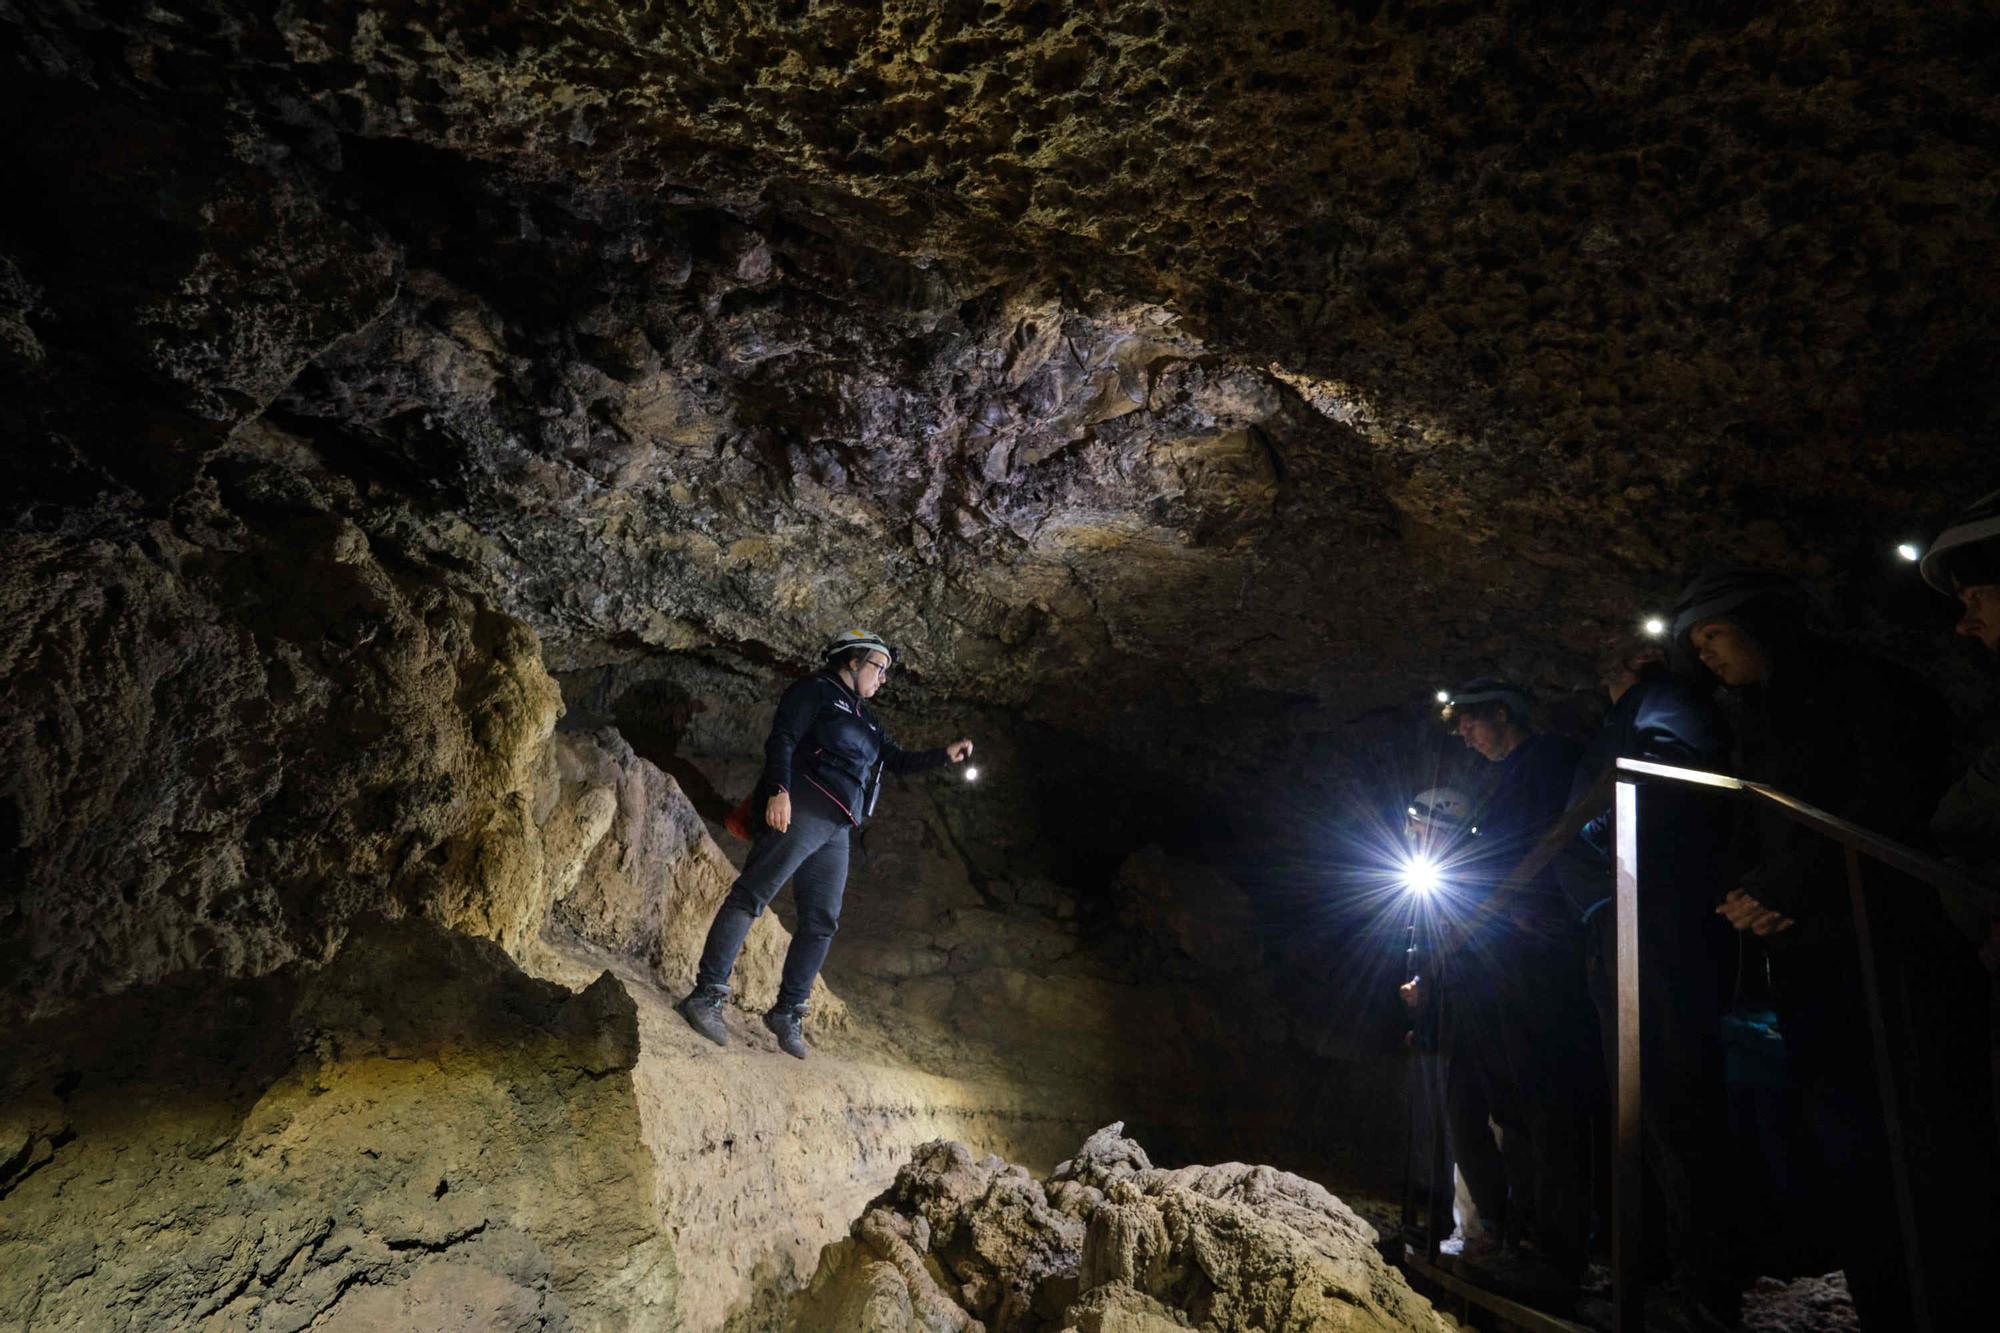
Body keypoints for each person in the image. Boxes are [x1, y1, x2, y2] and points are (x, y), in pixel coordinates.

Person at [1672, 564, 1990, 1329]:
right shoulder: (1756, 711)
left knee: (1906, 1129)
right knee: (1841, 1131)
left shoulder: (1864, 686)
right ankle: (1884, 1301)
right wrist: (1747, 888)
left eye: (1713, 634)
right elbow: (1760, 820)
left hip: (1886, 942)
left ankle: (1941, 1303)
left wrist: (1788, 888)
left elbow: (1887, 798)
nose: (1707, 654)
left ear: (1756, 621)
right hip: (1812, 949)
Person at [676, 631, 973, 1059]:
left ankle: (788, 1011)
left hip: (838, 826)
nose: (883, 678)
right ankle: (706, 996)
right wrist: (779, 789)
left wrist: (944, 754)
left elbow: (897, 760)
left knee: (822, 920)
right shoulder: (815, 690)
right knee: (752, 895)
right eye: (879, 667)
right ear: (852, 662)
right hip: (803, 805)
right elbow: (782, 737)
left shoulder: (866, 719)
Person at [1557, 633, 1736, 1319]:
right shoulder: (1630, 710)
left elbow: (1663, 783)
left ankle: (1702, 1290)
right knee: (1647, 1105)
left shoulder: (1660, 699)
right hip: (1623, 914)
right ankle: (1658, 1272)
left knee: (1671, 1099)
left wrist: (1599, 837)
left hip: (1652, 915)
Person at [1438, 681, 1593, 1310]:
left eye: (1471, 724)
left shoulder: (1550, 759)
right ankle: (1525, 1239)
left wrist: (1535, 910)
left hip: (1539, 950)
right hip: (1507, 954)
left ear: (1503, 713)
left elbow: (1549, 841)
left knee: (1548, 1101)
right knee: (1519, 1103)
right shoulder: (1505, 779)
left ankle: (1556, 1255)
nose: (1465, 737)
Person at [1398, 787, 1510, 1262]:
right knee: (1453, 1122)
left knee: (1484, 1125)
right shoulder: (1437, 879)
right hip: (1450, 1020)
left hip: (1484, 1019)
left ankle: (1491, 1228)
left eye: (1422, 828)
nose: (1415, 835)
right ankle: (1463, 1225)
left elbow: (1474, 951)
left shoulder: (1475, 876)